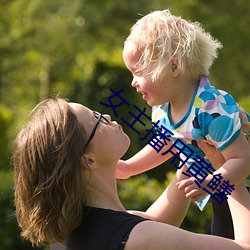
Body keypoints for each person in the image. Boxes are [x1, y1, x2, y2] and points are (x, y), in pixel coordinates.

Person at [13, 98, 250, 250]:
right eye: (97, 120)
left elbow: (155, 221)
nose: (106, 116)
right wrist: (229, 168)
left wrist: (192, 143)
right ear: (88, 160)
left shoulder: (71, 234)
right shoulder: (138, 238)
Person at [119, 9, 250, 239]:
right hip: (221, 189)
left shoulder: (210, 108)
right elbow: (166, 143)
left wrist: (211, 182)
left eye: (138, 72)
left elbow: (243, 160)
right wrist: (129, 167)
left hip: (239, 188)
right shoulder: (162, 108)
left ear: (173, 67)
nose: (133, 82)